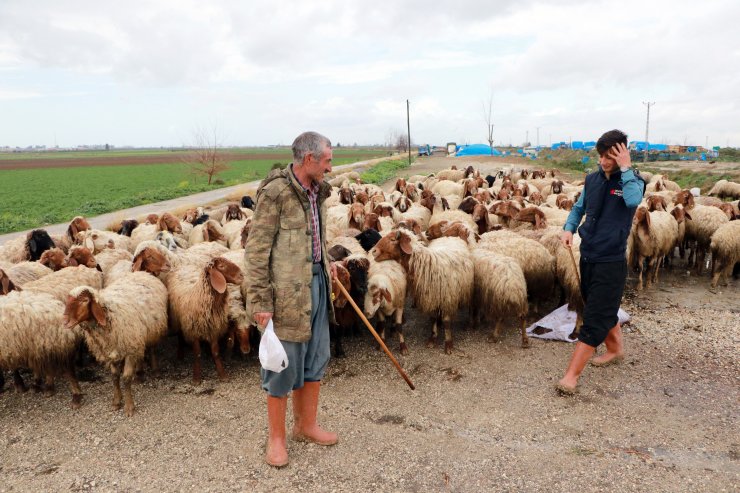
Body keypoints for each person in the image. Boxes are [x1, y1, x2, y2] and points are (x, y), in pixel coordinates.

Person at [246, 131, 338, 467]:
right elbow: (256, 251)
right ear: (309, 159)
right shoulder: (276, 193)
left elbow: (315, 239)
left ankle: (306, 426)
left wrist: (328, 267)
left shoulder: (318, 192)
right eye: (327, 159)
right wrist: (259, 301)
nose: (331, 165)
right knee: (281, 366)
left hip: (316, 285)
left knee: (316, 359)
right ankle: (276, 439)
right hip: (285, 295)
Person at [556, 129, 645, 395]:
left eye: (610, 157)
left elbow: (632, 201)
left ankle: (571, 377)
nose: (604, 161)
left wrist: (626, 167)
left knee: (594, 316)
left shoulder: (633, 181)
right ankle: (616, 349)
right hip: (589, 255)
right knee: (600, 305)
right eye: (602, 156)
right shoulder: (592, 179)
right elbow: (579, 207)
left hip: (611, 258)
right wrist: (569, 228)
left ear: (622, 154)